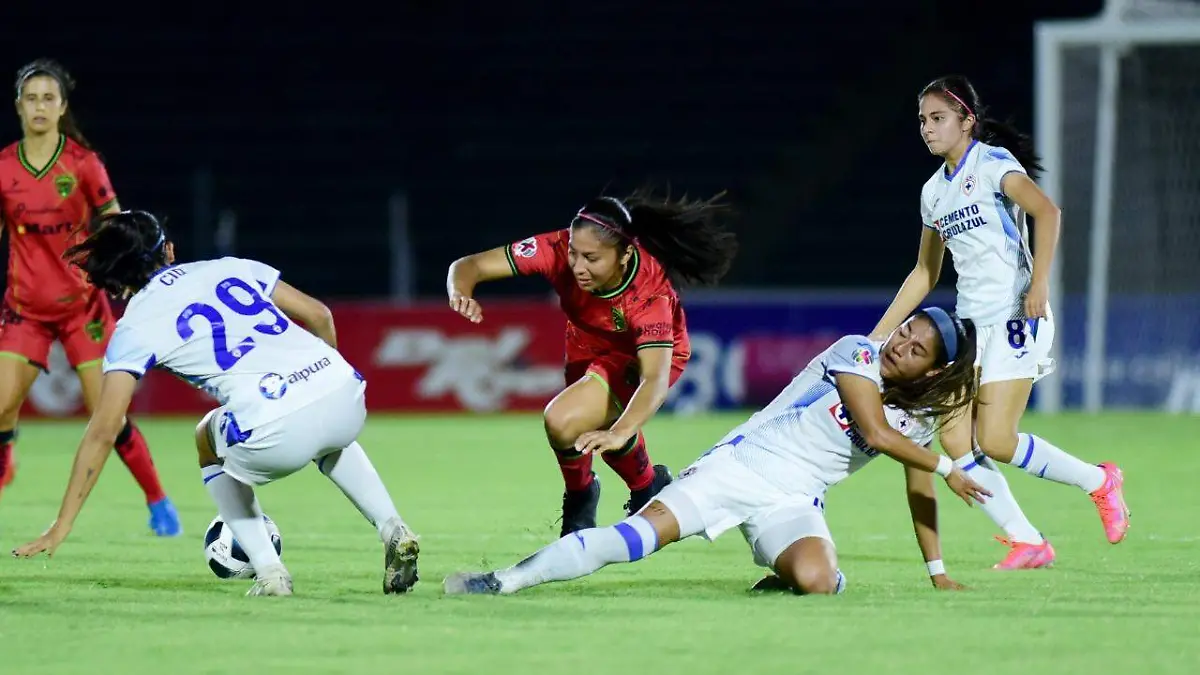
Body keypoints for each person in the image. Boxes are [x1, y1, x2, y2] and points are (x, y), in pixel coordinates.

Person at [11, 210, 420, 597]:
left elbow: (104, 428)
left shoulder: (133, 328)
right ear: (168, 249)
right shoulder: (230, 266)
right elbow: (319, 314)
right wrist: (318, 379)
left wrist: (62, 524)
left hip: (275, 426)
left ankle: (270, 571)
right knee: (329, 434)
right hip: (343, 392)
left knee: (207, 435)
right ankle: (393, 528)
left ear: (114, 281)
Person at [444, 308, 993, 596]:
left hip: (796, 499)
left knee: (819, 583)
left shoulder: (919, 419)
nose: (899, 344)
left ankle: (784, 571)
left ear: (935, 370)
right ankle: (504, 581)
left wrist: (937, 569)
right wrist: (950, 465)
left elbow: (917, 488)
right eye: (904, 332)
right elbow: (874, 434)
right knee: (632, 541)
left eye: (916, 348)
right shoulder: (856, 352)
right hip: (739, 467)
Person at [870, 75, 1130, 570]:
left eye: (939, 118)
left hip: (1015, 317)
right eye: (923, 120)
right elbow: (926, 272)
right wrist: (878, 335)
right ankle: (1028, 539)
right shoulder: (932, 193)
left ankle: (1100, 481)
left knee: (995, 441)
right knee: (952, 437)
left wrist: (1040, 285)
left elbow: (1047, 212)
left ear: (968, 121)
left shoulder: (992, 165)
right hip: (970, 327)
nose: (927, 128)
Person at [446, 187, 738, 536]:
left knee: (563, 420)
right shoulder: (554, 249)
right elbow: (470, 266)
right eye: (574, 253)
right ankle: (647, 485)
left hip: (641, 357)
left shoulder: (649, 295)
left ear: (625, 254)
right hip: (586, 341)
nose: (578, 267)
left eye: (592, 258)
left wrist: (621, 430)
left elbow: (654, 379)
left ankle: (581, 497)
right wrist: (459, 291)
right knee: (588, 427)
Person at [0, 58, 179, 536]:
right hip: (25, 311)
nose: (39, 106)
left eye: (48, 98)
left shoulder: (83, 165)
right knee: (0, 407)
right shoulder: (2, 168)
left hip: (83, 311)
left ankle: (157, 499)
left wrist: (125, 272)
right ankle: (4, 461)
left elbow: (116, 226)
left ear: (62, 107)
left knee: (111, 416)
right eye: (31, 98)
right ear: (19, 107)